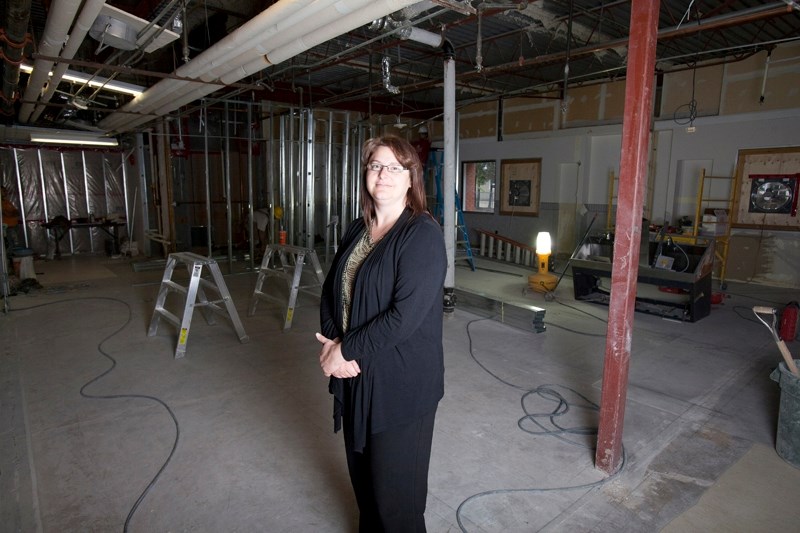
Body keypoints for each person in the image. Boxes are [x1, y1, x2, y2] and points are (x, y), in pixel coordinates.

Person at [316, 136, 447, 532]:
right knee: (367, 494)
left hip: (400, 388)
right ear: (365, 175)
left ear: (412, 178)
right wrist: (331, 346)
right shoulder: (359, 228)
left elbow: (403, 317)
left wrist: (346, 350)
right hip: (356, 379)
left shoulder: (421, 235)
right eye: (375, 165)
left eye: (395, 167)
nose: (383, 174)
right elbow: (331, 289)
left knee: (397, 507)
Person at [1, 186, 21, 255]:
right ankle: (10, 260)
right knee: (9, 244)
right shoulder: (1, 204)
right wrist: (11, 213)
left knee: (15, 243)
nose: (5, 192)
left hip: (13, 226)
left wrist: (11, 213)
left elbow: (16, 212)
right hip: (7, 227)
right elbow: (5, 214)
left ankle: (14, 259)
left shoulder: (7, 202)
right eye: (3, 191)